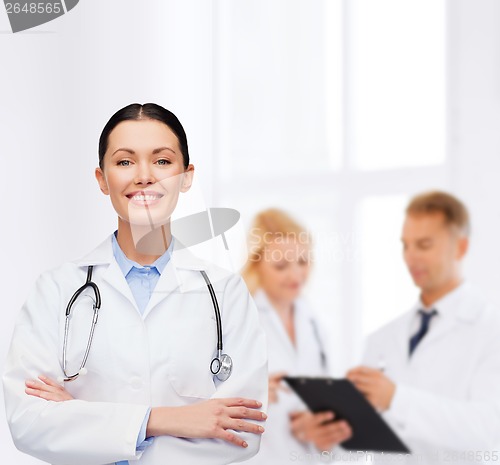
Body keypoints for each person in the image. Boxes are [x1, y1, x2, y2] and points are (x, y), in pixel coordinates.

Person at [3, 103, 268, 465]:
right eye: (125, 162)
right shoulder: (56, 290)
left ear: (186, 176)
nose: (144, 176)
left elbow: (242, 431)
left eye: (162, 161)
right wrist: (164, 420)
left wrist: (88, 421)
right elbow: (28, 421)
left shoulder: (225, 293)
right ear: (102, 179)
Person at [347, 191, 500, 464]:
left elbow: (488, 430)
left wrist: (397, 399)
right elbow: (362, 438)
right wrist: (332, 431)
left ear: (460, 248)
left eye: (424, 245)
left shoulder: (490, 330)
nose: (411, 257)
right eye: (405, 245)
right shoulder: (382, 338)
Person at [241, 209, 352, 465]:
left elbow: (318, 408)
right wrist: (252, 391)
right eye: (281, 266)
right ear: (257, 263)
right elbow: (208, 403)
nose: (296, 276)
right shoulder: (237, 319)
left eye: (303, 262)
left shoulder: (314, 324)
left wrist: (317, 430)